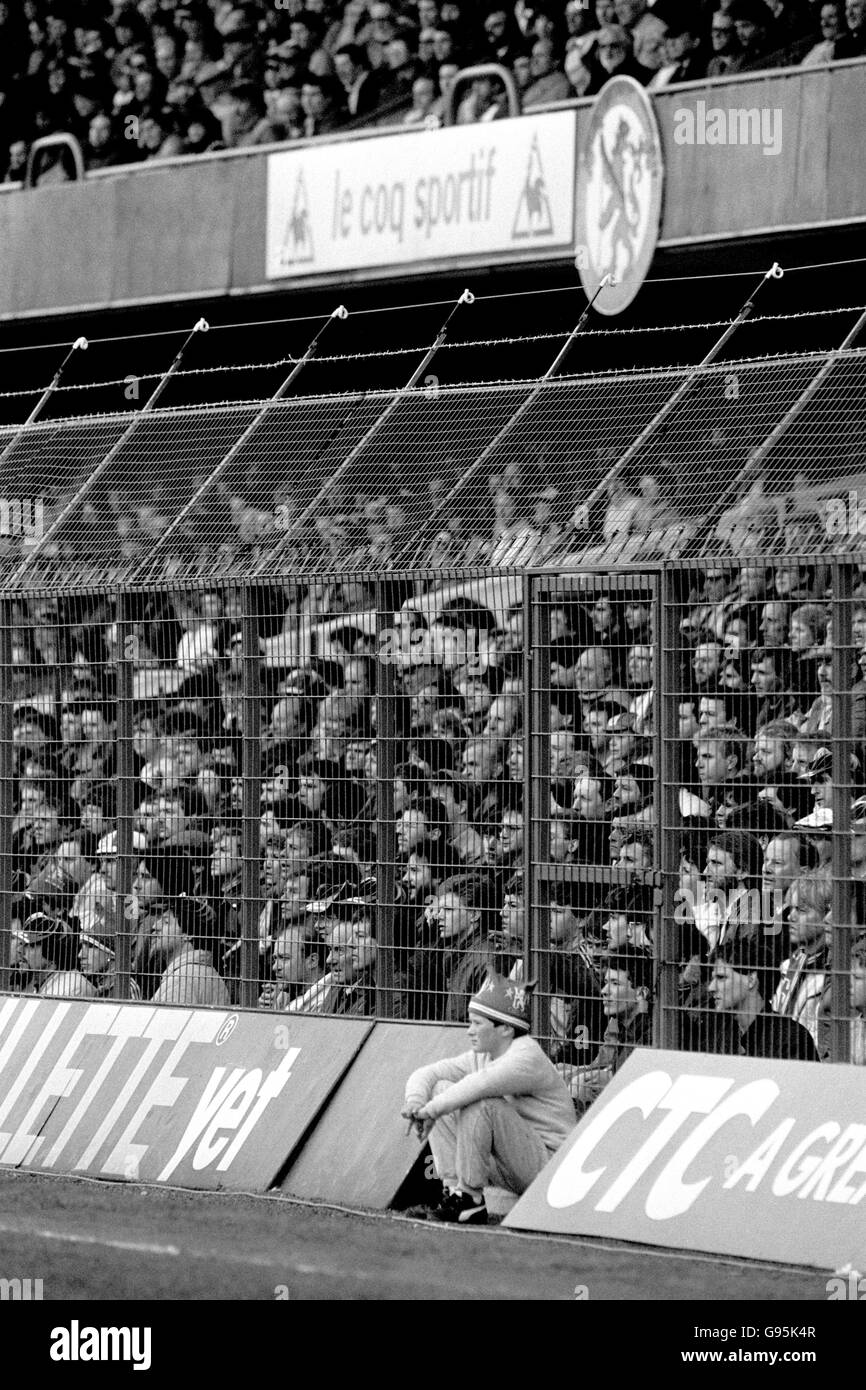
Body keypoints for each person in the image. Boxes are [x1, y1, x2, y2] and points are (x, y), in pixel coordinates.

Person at [401, 971, 576, 1223]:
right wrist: (416, 1102)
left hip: (551, 1167)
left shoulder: (526, 1055)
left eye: (477, 1024)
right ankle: (455, 1193)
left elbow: (479, 1085)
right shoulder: (484, 1053)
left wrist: (430, 1112)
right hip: (515, 1163)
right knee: (441, 1088)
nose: (469, 1031)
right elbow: (428, 1073)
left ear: (505, 1028)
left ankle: (470, 1198)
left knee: (481, 1102)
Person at [706, 939, 819, 1059]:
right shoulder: (721, 1034)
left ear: (751, 980)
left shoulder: (791, 1038)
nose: (711, 988)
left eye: (721, 977)